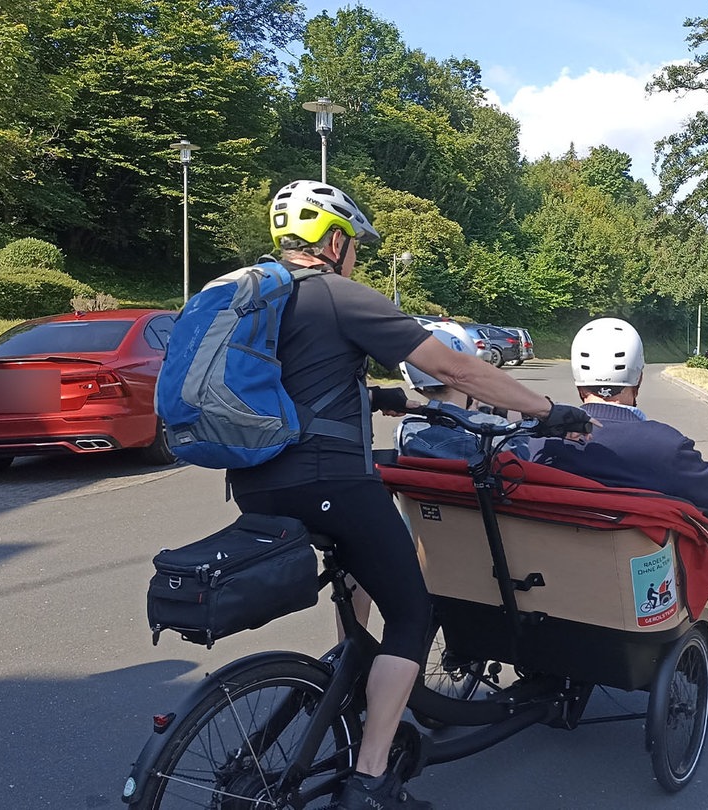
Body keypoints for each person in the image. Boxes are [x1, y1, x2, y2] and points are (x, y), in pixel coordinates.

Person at [225, 179, 591, 810]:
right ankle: (369, 780)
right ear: (333, 241)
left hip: (254, 484)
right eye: (354, 244)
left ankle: (349, 685)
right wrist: (546, 408)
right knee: (412, 611)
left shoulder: (251, 296)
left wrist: (386, 397)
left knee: (361, 588)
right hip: (329, 484)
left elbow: (291, 392)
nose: (357, 256)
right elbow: (457, 368)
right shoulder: (338, 295)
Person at [529, 317, 708, 518]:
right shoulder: (666, 445)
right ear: (639, 379)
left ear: (578, 383)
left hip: (553, 550)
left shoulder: (538, 443)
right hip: (645, 553)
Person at [396, 321, 530, 464]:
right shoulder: (492, 426)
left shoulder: (406, 427)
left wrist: (467, 413)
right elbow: (521, 461)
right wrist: (517, 422)